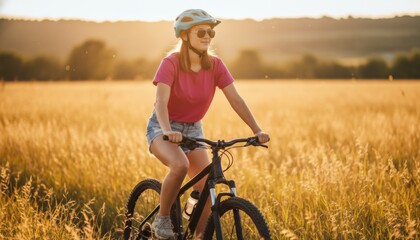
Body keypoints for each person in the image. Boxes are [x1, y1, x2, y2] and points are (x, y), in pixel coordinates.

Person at [146, 9, 270, 239]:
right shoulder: (170, 63)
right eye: (201, 31)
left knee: (205, 184)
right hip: (163, 127)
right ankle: (162, 220)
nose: (207, 36)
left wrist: (257, 129)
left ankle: (200, 235)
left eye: (210, 32)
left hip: (194, 129)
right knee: (180, 165)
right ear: (184, 36)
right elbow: (160, 102)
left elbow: (236, 99)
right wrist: (166, 131)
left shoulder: (216, 65)